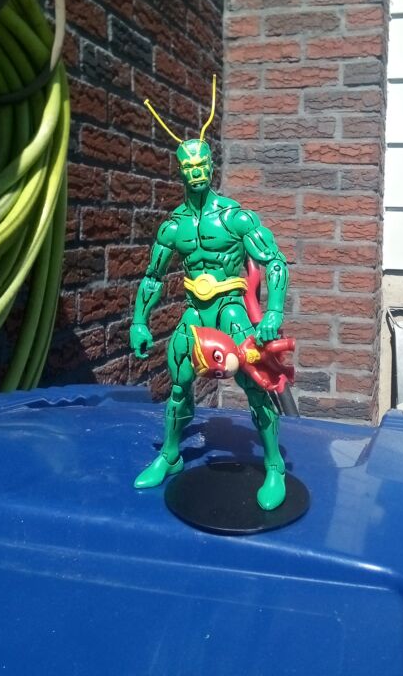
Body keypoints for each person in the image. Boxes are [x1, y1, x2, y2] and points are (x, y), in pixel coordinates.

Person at [130, 81, 289, 510]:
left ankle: (274, 463)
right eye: (189, 166)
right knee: (179, 385)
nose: (196, 171)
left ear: (211, 166)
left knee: (254, 383)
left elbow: (275, 262)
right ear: (180, 170)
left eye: (202, 164)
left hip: (230, 309)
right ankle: (171, 455)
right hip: (194, 313)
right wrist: (140, 320)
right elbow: (152, 277)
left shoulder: (235, 217)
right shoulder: (173, 227)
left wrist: (273, 312)